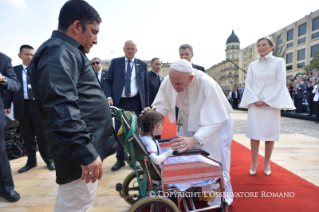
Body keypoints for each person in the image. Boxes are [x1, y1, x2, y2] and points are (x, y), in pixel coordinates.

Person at [27, 1, 118, 211]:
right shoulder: (58, 51)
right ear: (77, 26)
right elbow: (60, 106)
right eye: (94, 32)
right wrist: (84, 151)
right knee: (75, 206)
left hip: (79, 149)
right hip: (76, 155)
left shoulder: (66, 50)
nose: (96, 40)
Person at [147, 59, 234, 206]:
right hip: (188, 120)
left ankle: (218, 198)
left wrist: (196, 139)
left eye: (179, 84)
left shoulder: (207, 84)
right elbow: (161, 104)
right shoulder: (171, 80)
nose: (174, 87)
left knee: (213, 159)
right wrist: (152, 115)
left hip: (215, 124)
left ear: (191, 78)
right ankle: (194, 188)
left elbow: (215, 120)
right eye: (172, 83)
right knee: (189, 156)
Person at [239, 36, 295, 177]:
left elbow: (281, 84)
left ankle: (267, 162)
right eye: (258, 45)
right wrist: (255, 100)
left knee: (270, 135)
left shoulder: (279, 62)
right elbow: (248, 84)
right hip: (255, 105)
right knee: (254, 135)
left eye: (264, 44)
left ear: (271, 47)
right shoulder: (252, 65)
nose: (261, 47)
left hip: (272, 104)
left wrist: (269, 101)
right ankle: (254, 162)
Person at [3, 45, 55, 173]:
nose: (30, 57)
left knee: (42, 136)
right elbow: (10, 89)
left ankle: (49, 160)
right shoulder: (14, 70)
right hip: (22, 107)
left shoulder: (40, 69)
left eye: (32, 54)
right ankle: (31, 161)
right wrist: (7, 105)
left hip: (37, 107)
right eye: (27, 54)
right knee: (27, 136)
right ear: (20, 56)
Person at [104, 40, 149, 171]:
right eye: (128, 48)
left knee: (135, 132)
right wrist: (109, 96)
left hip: (135, 102)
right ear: (124, 49)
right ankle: (120, 159)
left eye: (133, 49)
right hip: (120, 103)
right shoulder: (116, 62)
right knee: (120, 131)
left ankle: (135, 159)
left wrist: (145, 105)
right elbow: (108, 82)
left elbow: (145, 87)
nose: (130, 51)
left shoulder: (142, 65)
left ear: (136, 50)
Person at [0, 52, 21, 202]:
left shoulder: (3, 59)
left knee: (0, 154)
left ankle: (7, 188)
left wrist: (2, 79)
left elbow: (15, 84)